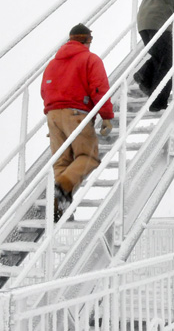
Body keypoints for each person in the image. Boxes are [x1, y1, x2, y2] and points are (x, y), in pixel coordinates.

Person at [41, 23, 114, 222]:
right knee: (88, 157)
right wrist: (107, 115)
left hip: (53, 115)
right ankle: (62, 186)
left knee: (62, 161)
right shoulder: (90, 59)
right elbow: (99, 89)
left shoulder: (52, 64)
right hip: (76, 114)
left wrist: (55, 115)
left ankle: (60, 207)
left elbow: (44, 91)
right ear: (87, 40)